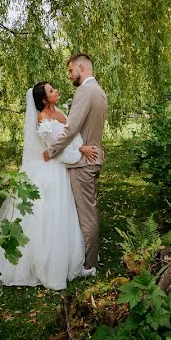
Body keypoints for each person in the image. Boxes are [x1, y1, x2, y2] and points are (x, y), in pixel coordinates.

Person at [0, 82, 99, 290]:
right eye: (51, 91)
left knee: (64, 212)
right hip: (53, 169)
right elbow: (55, 148)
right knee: (47, 215)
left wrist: (80, 145)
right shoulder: (43, 118)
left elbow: (71, 134)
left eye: (54, 89)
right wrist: (81, 150)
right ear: (43, 99)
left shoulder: (59, 111)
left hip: (61, 168)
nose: (56, 91)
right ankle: (43, 262)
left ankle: (70, 256)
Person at [43, 53, 108, 277]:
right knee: (89, 209)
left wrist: (51, 151)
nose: (70, 75)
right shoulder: (99, 91)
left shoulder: (84, 91)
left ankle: (89, 265)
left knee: (86, 213)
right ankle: (90, 254)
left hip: (83, 163)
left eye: (71, 71)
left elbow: (71, 129)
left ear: (81, 67)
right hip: (93, 157)